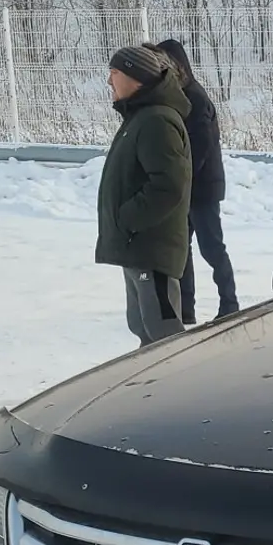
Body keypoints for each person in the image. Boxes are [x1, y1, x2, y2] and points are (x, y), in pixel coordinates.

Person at [95, 44, 193, 346]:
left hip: (151, 249)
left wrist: (128, 218)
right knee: (144, 329)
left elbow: (168, 185)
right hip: (136, 246)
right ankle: (151, 390)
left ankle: (180, 389)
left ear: (135, 77)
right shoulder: (139, 117)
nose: (109, 81)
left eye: (114, 73)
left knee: (164, 334)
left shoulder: (156, 120)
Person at [156, 38, 238, 322]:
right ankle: (185, 308)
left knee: (212, 248)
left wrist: (179, 177)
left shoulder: (195, 98)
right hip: (188, 188)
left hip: (202, 189)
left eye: (164, 65)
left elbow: (199, 148)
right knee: (183, 250)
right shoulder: (178, 96)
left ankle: (230, 303)